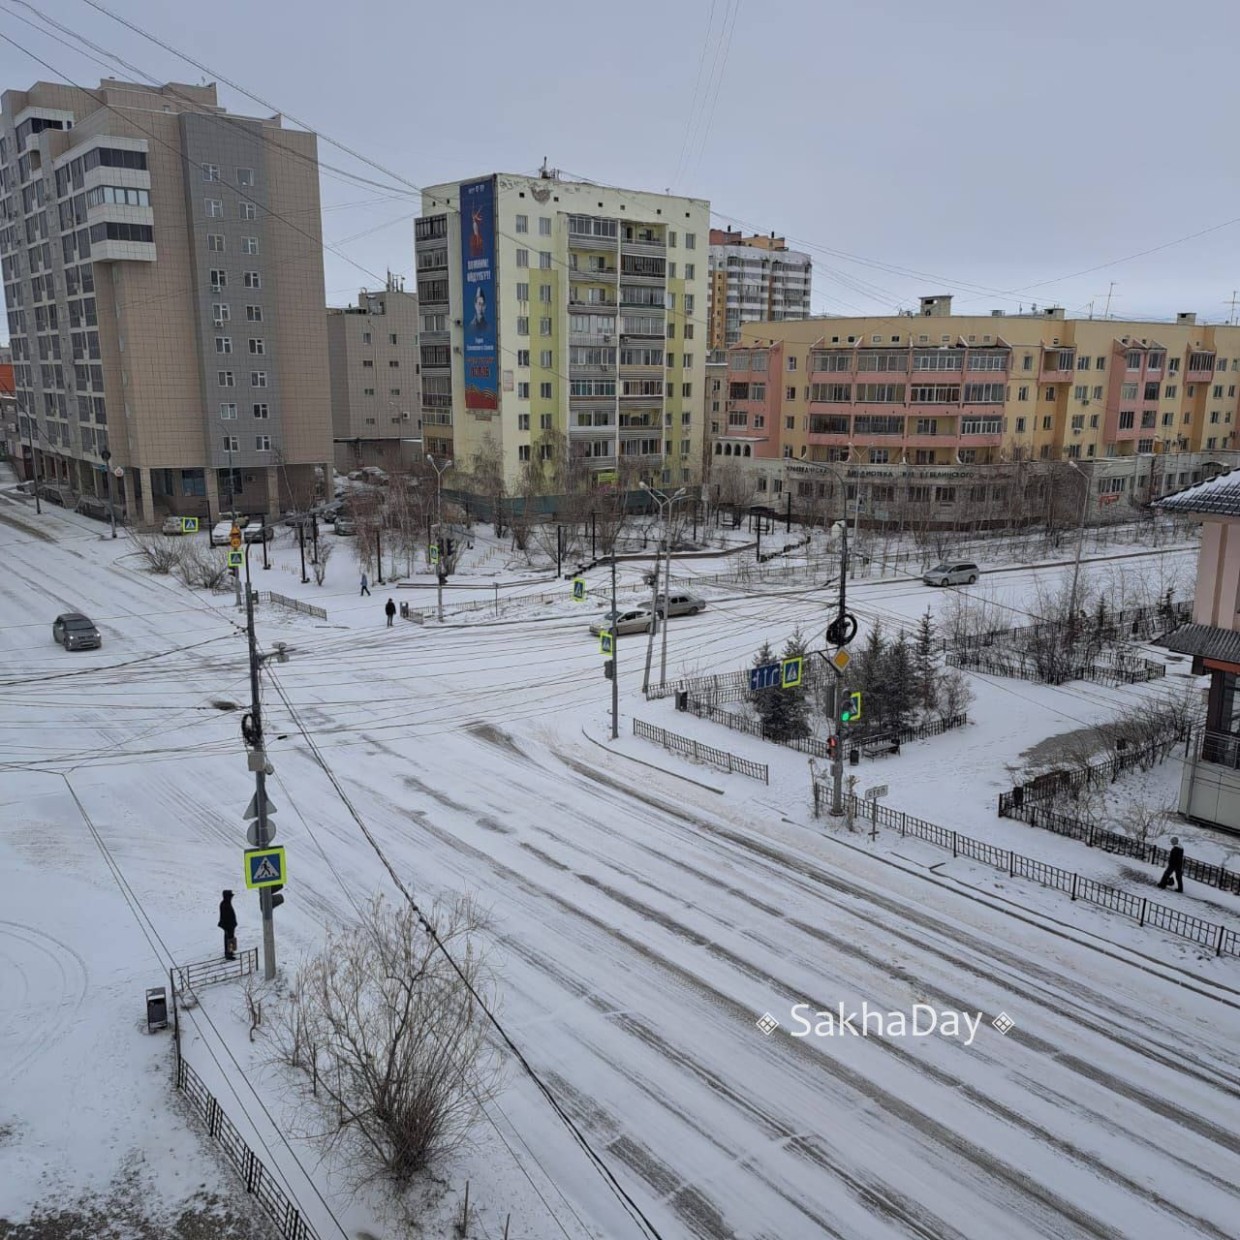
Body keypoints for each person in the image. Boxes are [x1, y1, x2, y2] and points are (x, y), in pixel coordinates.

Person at [218, 889, 237, 960]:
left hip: (230, 926)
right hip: (228, 926)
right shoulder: (224, 904)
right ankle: (228, 954)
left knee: (230, 938)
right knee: (228, 939)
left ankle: (230, 952)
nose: (231, 898)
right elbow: (225, 917)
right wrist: (227, 926)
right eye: (230, 896)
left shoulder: (227, 903)